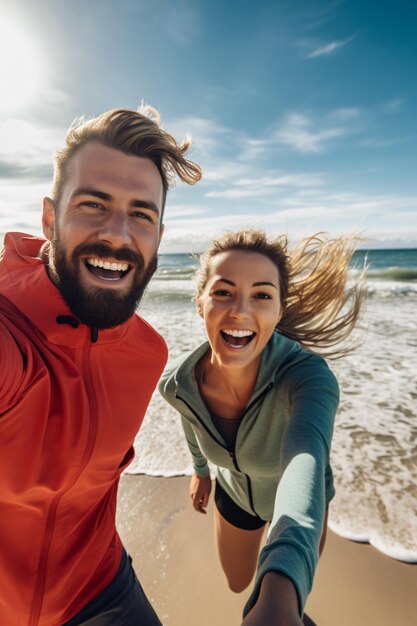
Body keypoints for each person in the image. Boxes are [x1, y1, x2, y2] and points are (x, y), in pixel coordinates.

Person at [0, 105, 201, 626]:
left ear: (159, 234)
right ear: (50, 219)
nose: (117, 234)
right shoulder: (11, 334)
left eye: (141, 214)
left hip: (100, 590)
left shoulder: (148, 352)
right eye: (94, 204)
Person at [159, 229, 365, 626]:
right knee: (238, 584)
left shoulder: (308, 379)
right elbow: (191, 421)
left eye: (262, 295)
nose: (239, 310)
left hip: (302, 503)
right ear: (199, 304)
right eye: (223, 292)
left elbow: (305, 463)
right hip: (234, 495)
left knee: (276, 589)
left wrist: (279, 597)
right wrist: (200, 471)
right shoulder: (177, 385)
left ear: (279, 311)